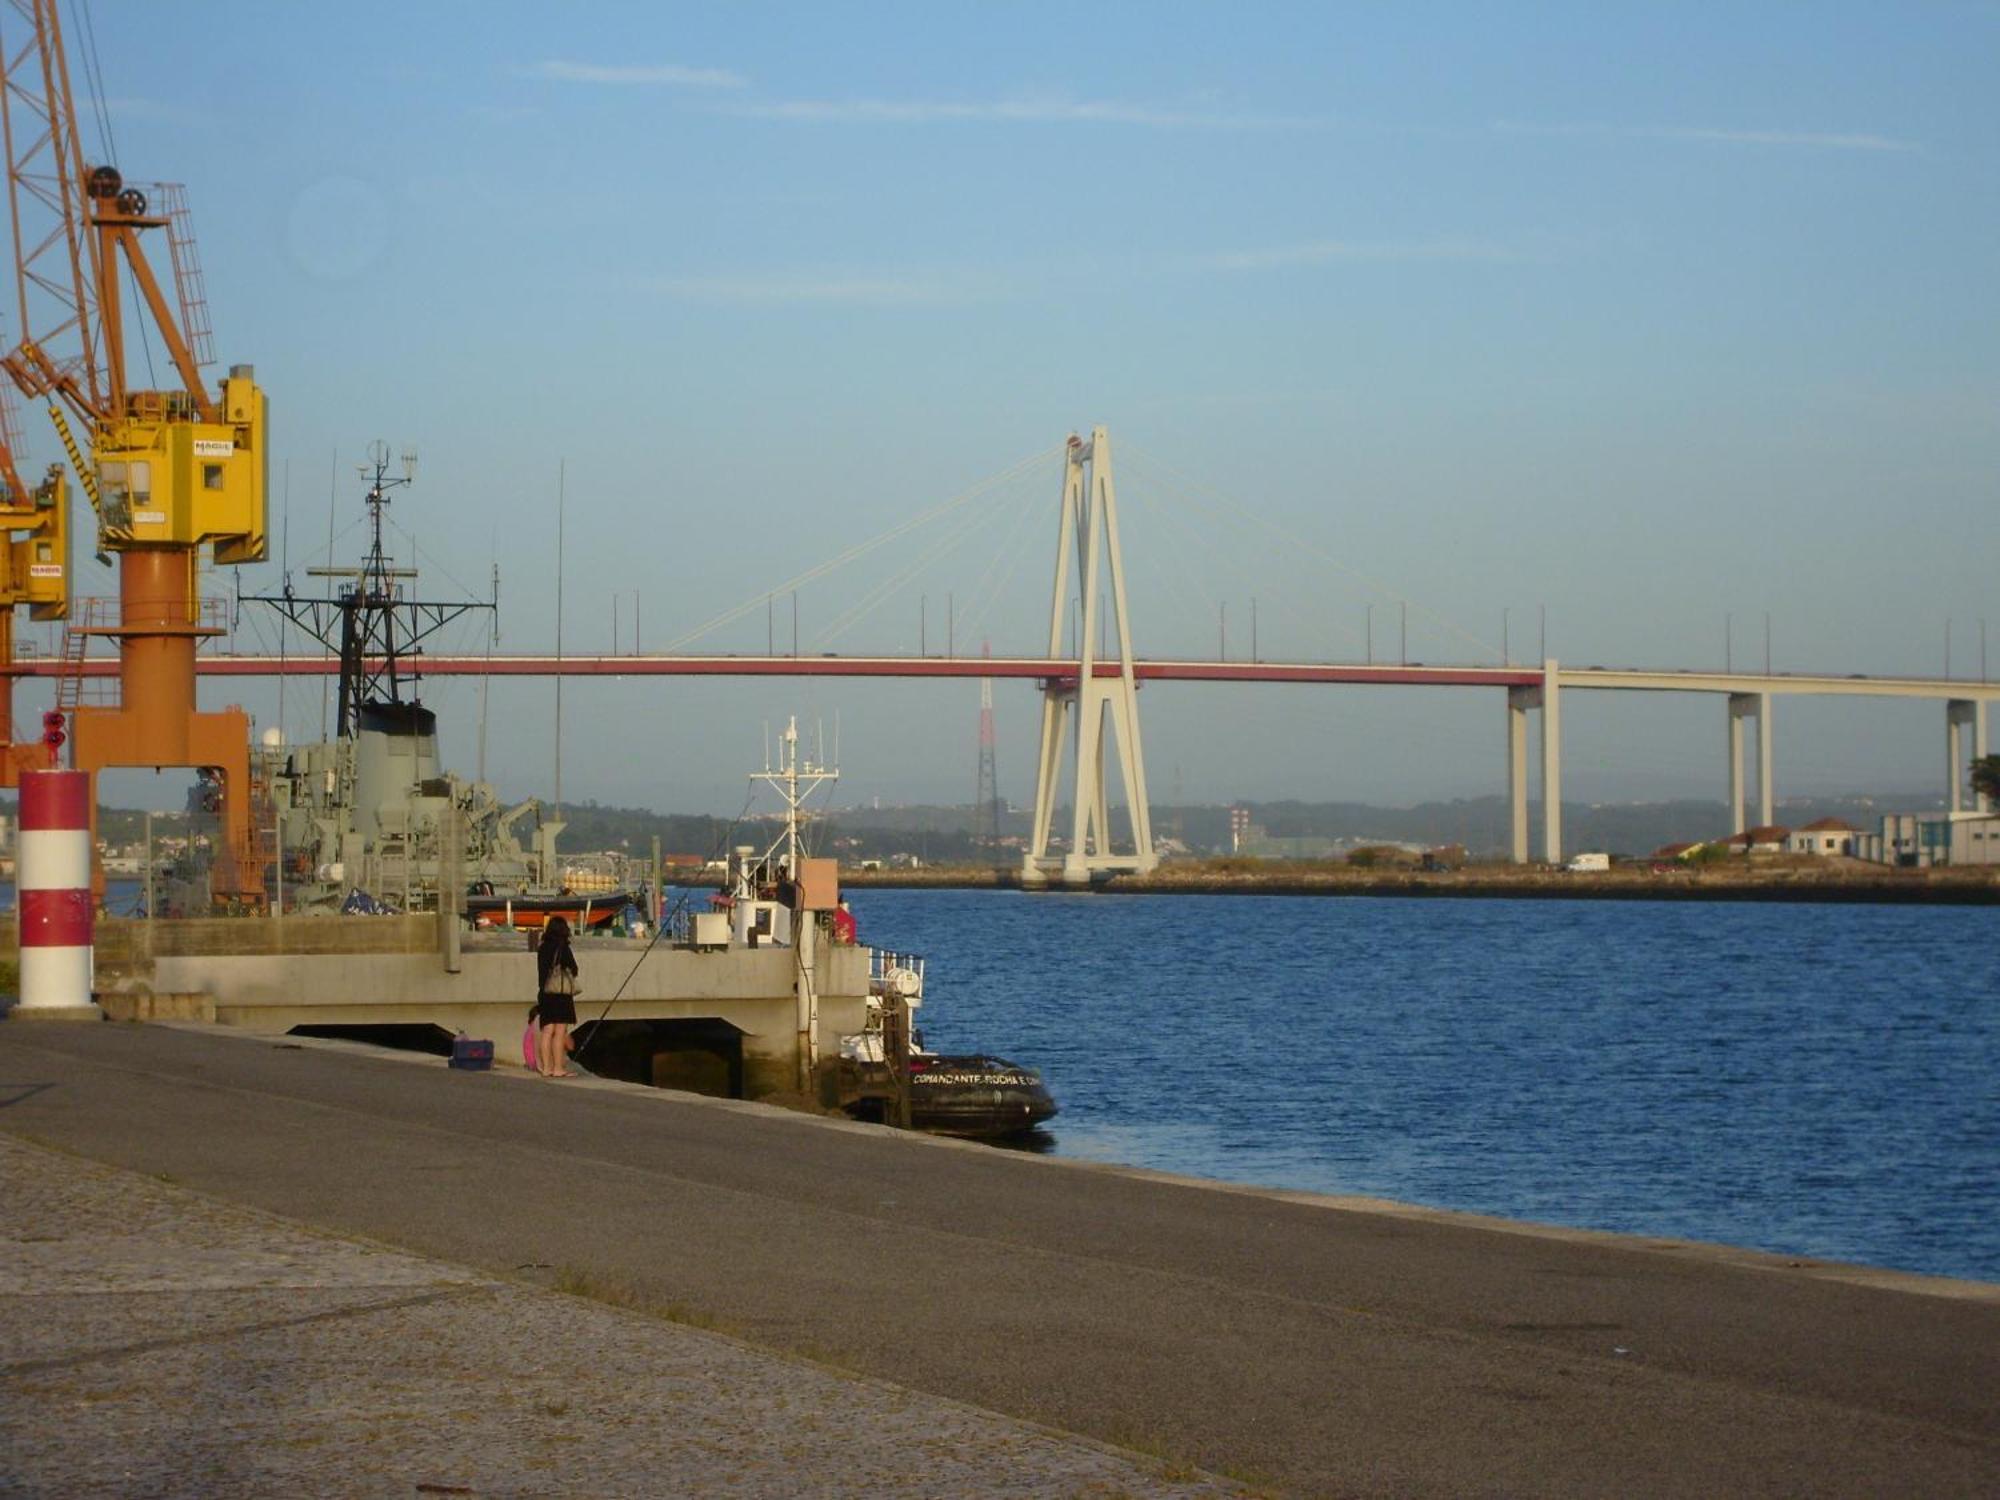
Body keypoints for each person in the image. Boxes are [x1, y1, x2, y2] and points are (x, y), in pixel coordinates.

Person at [535, 915, 579, 1078]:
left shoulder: (542, 947)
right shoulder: (563, 947)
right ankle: (558, 1068)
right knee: (560, 1032)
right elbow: (574, 969)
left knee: (547, 1031)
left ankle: (546, 1068)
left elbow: (541, 973)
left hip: (546, 993)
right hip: (560, 994)